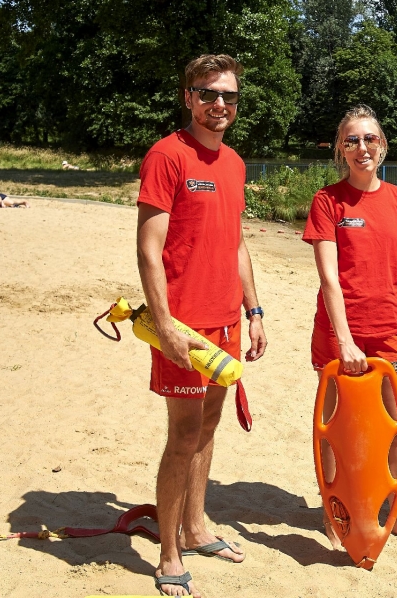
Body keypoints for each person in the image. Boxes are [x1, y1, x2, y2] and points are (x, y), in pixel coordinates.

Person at [136, 53, 268, 598]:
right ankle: (168, 552)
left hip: (227, 320)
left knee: (209, 427)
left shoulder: (233, 163)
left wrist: (254, 312)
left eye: (228, 95)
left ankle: (195, 528)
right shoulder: (167, 155)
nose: (219, 104)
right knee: (183, 435)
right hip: (184, 325)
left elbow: (236, 244)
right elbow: (149, 249)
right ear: (188, 97)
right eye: (208, 93)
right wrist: (165, 324)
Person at [302, 105, 397, 552]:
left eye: (370, 138)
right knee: (336, 429)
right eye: (352, 140)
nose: (362, 148)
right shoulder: (327, 201)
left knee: (393, 428)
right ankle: (333, 513)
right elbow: (329, 278)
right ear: (341, 149)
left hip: (389, 330)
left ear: (383, 145)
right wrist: (345, 340)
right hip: (339, 333)